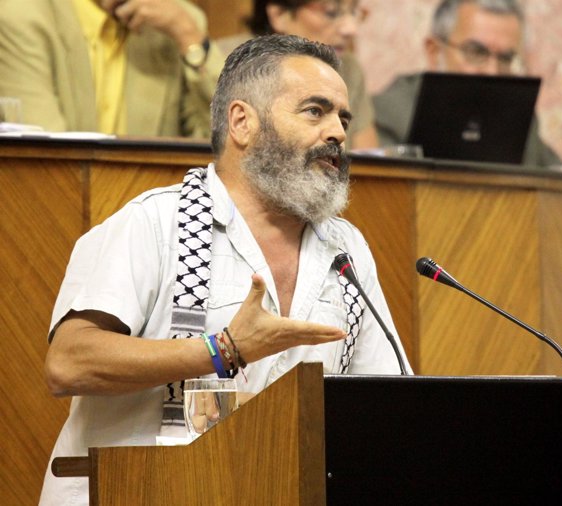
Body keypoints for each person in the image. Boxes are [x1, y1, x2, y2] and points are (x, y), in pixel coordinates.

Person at [38, 34, 411, 505]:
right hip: (133, 493)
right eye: (315, 111)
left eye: (343, 117)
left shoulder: (347, 248)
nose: (337, 131)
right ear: (242, 122)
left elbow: (388, 400)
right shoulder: (156, 223)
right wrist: (223, 350)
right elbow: (68, 363)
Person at [373, 0, 562, 168]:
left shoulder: (518, 118)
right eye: (476, 52)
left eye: (506, 58)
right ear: (434, 51)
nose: (492, 71)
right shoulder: (390, 113)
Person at [0, 0, 225, 137]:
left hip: (151, 206)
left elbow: (221, 147)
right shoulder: (22, 16)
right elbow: (47, 158)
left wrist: (187, 34)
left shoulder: (178, 21)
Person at [215, 0, 378, 151]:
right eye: (331, 13)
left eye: (354, 12)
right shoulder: (225, 63)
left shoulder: (348, 67)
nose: (350, 29)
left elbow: (369, 165)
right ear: (279, 14)